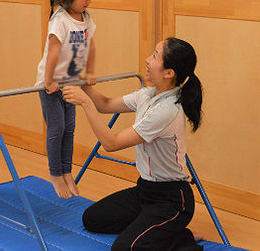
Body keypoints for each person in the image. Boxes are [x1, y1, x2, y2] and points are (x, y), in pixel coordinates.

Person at [62, 37, 204, 251]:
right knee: (92, 219)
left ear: (169, 73)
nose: (148, 59)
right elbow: (106, 104)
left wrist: (84, 102)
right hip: (145, 192)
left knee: (124, 248)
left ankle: (181, 239)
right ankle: (157, 230)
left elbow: (111, 143)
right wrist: (81, 81)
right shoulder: (147, 95)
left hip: (172, 200)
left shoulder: (167, 110)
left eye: (155, 56)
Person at [35, 0, 98, 199]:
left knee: (70, 128)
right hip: (51, 83)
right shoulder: (59, 20)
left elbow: (91, 47)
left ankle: (67, 171)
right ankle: (55, 174)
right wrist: (48, 81)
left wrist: (89, 72)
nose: (87, 0)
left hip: (70, 81)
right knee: (57, 127)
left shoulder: (86, 18)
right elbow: (52, 52)